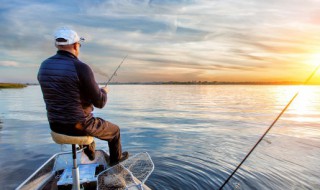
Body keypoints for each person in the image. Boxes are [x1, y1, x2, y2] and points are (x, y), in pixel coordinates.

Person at [37, 27, 128, 165]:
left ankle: (90, 152)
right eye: (79, 44)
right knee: (114, 131)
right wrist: (104, 91)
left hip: (55, 125)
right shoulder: (81, 67)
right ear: (75, 45)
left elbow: (65, 93)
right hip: (78, 126)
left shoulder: (44, 66)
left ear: (57, 45)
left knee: (86, 119)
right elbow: (100, 103)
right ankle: (115, 165)